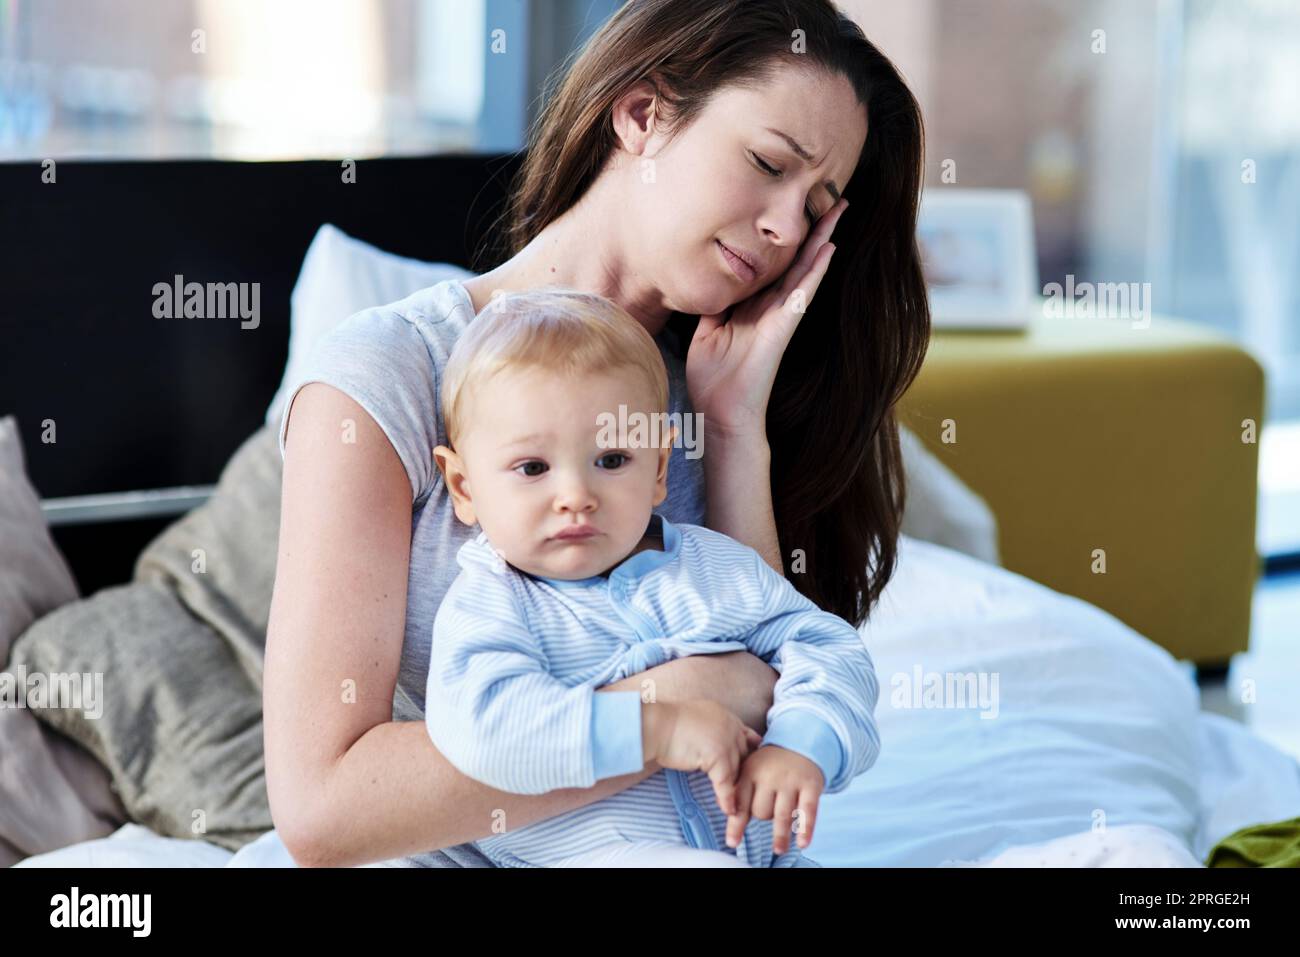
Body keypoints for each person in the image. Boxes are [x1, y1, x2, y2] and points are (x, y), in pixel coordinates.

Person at [265, 0, 929, 867]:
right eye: (767, 163)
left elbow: (764, 697)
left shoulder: (713, 396)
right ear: (643, 115)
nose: (783, 227)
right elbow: (324, 808)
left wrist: (733, 426)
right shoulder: (390, 374)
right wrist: (666, 709)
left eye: (815, 207)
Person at [423, 289, 880, 867]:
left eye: (611, 460)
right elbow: (487, 729)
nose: (575, 497)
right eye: (533, 468)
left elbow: (829, 647)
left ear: (660, 468)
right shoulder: (491, 604)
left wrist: (801, 742)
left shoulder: (713, 567)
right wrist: (654, 727)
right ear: (464, 487)